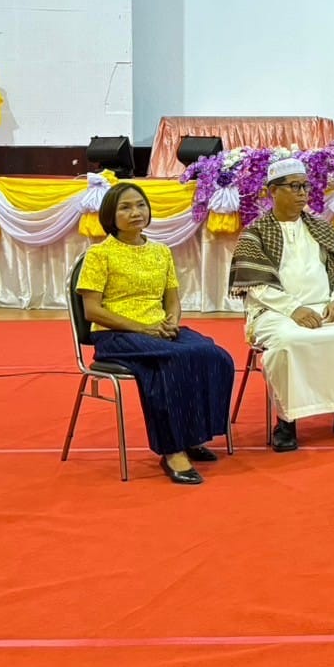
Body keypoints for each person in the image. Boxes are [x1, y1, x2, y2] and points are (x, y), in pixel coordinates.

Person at [228, 158, 334, 453]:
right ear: (272, 192)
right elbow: (256, 285)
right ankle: (286, 421)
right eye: (294, 187)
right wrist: (294, 309)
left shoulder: (321, 228)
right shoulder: (254, 233)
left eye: (305, 186)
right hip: (275, 312)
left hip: (325, 305)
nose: (303, 193)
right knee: (289, 342)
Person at [76, 183, 235, 486]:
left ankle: (193, 435)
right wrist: (142, 328)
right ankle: (172, 451)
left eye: (140, 205)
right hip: (116, 334)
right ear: (111, 214)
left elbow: (172, 300)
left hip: (159, 331)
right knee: (173, 360)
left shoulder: (161, 252)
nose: (135, 212)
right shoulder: (99, 255)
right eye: (125, 207)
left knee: (217, 356)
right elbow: (92, 311)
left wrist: (172, 323)